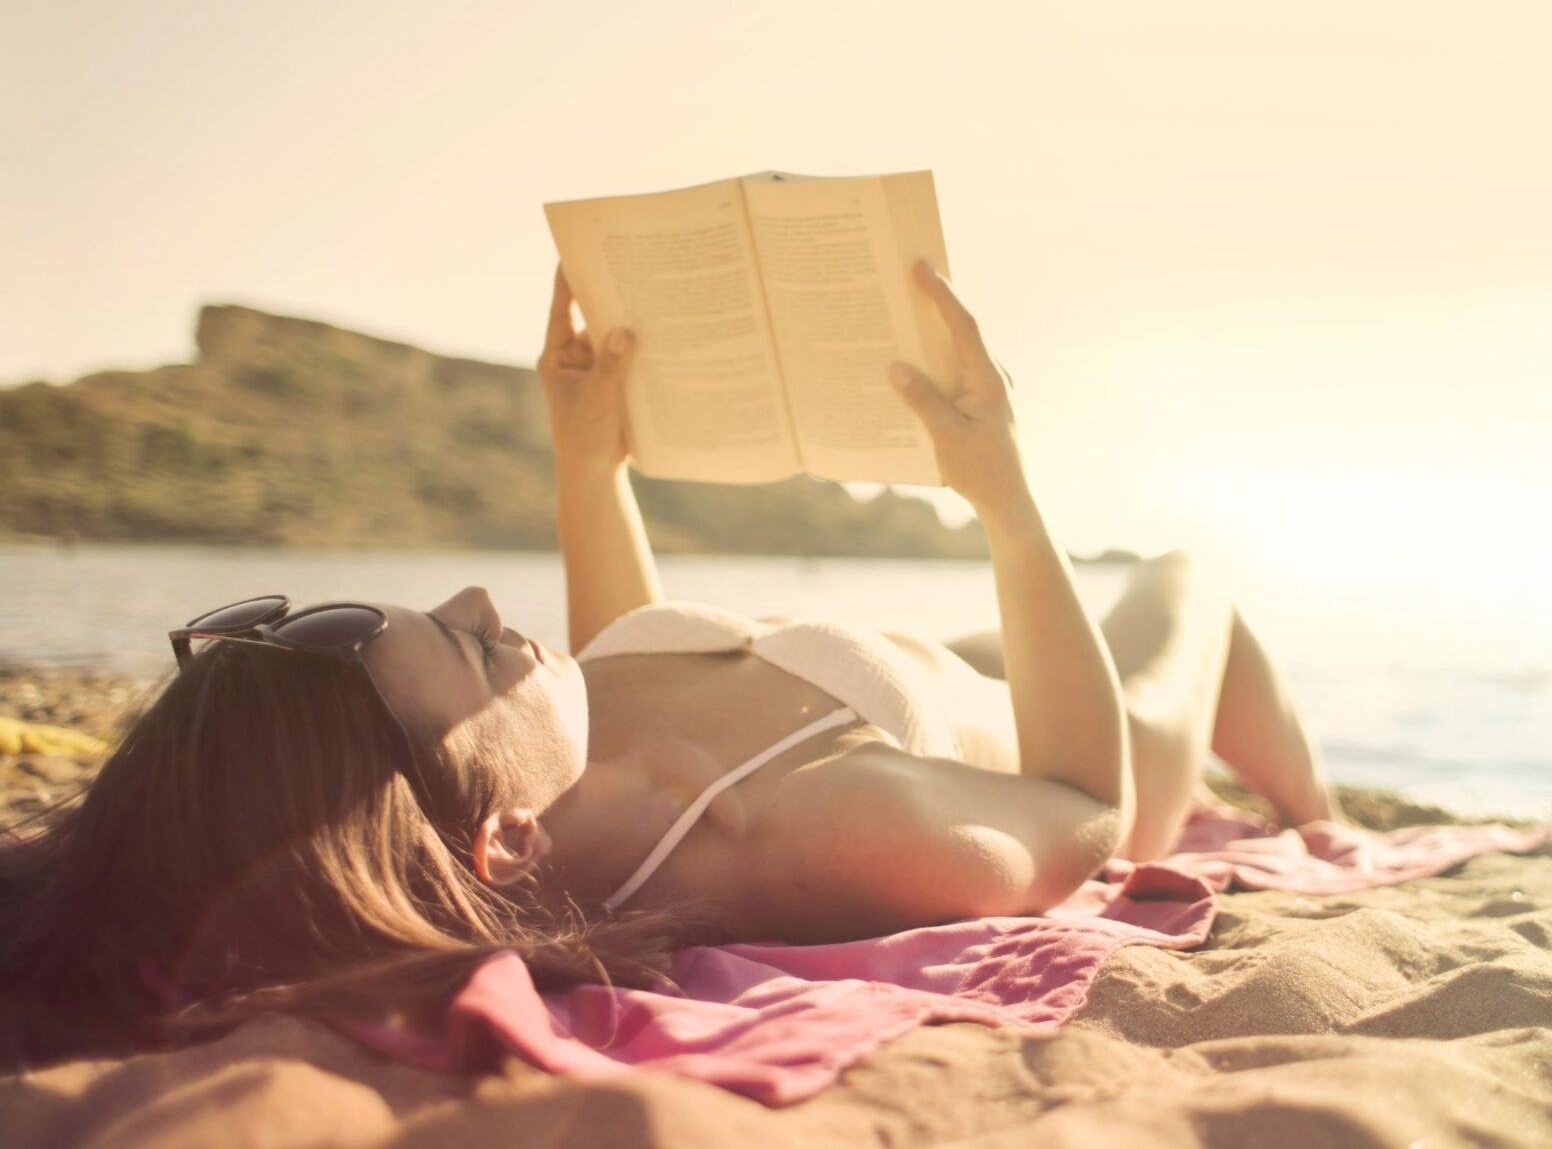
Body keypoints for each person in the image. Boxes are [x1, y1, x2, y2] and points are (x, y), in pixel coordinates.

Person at [0, 261, 1337, 1066]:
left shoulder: (539, 757)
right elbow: (1077, 805)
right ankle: (1326, 818)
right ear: (508, 841)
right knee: (1185, 580)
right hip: (1082, 729)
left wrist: (590, 462)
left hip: (913, 674)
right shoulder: (812, 825)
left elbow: (617, 672)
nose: (482, 595)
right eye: (474, 647)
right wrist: (1003, 498)